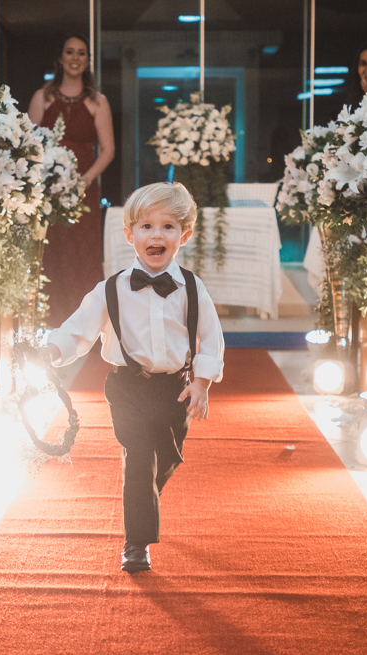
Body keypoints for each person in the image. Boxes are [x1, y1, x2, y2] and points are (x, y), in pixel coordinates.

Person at [38, 183, 225, 574]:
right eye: (146, 226)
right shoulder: (112, 289)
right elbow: (78, 329)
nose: (157, 235)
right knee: (139, 458)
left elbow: (211, 338)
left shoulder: (192, 288)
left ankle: (144, 500)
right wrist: (52, 350)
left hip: (175, 389)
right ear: (129, 234)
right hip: (127, 388)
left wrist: (202, 383)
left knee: (167, 458)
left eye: (168, 227)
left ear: (184, 235)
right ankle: (136, 544)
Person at [28, 35, 115, 327]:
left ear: (87, 60)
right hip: (48, 193)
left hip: (83, 192)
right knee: (52, 253)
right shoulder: (42, 97)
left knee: (83, 253)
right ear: (60, 58)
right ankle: (50, 323)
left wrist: (86, 179)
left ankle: (87, 324)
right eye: (70, 52)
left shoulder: (97, 102)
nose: (75, 58)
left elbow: (108, 149)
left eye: (81, 53)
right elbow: (28, 144)